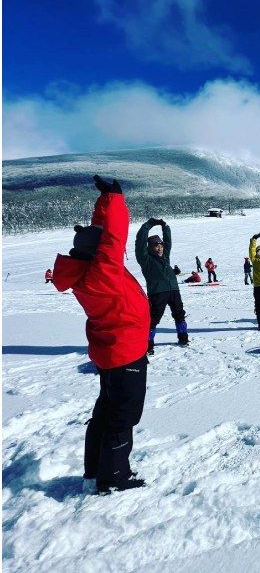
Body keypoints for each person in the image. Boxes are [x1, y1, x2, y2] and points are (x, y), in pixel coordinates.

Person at [52, 175, 148, 494]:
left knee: (106, 411)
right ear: (99, 255)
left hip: (111, 352)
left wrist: (105, 200)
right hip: (125, 353)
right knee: (123, 416)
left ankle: (95, 469)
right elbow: (113, 237)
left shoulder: (86, 271)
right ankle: (114, 477)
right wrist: (116, 198)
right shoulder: (103, 273)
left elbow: (100, 237)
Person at [136, 217, 190, 354]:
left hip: (174, 290)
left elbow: (168, 242)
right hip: (158, 292)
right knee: (153, 319)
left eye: (161, 245)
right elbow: (140, 243)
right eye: (156, 246)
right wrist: (148, 225)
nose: (160, 248)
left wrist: (165, 226)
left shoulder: (165, 257)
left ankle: (183, 338)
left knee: (179, 314)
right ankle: (147, 346)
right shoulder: (145, 259)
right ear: (150, 247)